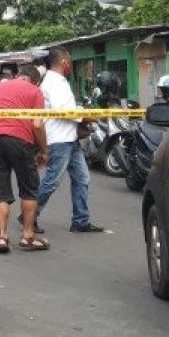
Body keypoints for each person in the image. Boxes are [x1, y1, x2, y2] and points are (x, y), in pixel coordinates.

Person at [35, 48, 104, 234]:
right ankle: (30, 214)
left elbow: (68, 107)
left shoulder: (59, 81)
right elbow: (63, 109)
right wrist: (85, 116)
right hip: (59, 139)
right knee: (52, 181)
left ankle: (81, 220)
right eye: (70, 61)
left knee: (82, 178)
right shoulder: (53, 82)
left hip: (69, 138)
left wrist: (82, 113)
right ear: (64, 62)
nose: (71, 65)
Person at [0, 66, 49, 253]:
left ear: (18, 76)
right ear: (35, 81)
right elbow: (36, 124)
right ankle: (27, 236)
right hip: (21, 141)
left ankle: (2, 237)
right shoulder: (35, 91)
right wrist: (43, 150)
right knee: (29, 188)